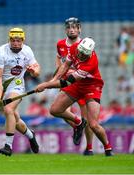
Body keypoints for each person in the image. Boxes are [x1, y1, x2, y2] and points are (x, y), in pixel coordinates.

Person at [35, 37, 113, 156]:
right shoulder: (74, 48)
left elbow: (67, 82)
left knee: (93, 125)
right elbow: (66, 65)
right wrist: (54, 79)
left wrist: (46, 85)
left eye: (84, 54)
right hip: (78, 85)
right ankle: (78, 123)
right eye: (80, 52)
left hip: (92, 87)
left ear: (90, 52)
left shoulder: (91, 62)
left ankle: (108, 148)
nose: (81, 55)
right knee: (54, 110)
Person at [0, 27, 40, 156]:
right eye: (13, 40)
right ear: (9, 40)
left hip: (17, 86)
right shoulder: (1, 52)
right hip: (2, 87)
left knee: (8, 110)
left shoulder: (27, 51)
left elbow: (37, 69)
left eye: (19, 40)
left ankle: (8, 146)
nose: (16, 43)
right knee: (15, 118)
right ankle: (31, 136)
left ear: (22, 40)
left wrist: (34, 71)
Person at [55, 17, 94, 155]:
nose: (72, 30)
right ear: (66, 29)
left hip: (82, 83)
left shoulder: (86, 44)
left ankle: (89, 148)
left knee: (87, 119)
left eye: (74, 27)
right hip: (67, 83)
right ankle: (77, 126)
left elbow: (89, 66)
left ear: (79, 29)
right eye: (69, 27)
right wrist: (57, 75)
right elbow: (59, 60)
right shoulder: (60, 44)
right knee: (62, 112)